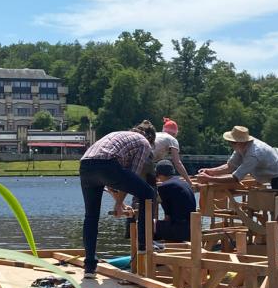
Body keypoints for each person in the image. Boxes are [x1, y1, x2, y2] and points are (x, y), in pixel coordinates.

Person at [197, 125, 278, 247]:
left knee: (275, 210)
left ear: (239, 142)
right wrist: (210, 171)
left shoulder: (253, 153)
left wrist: (209, 179)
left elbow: (236, 177)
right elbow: (230, 166)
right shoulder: (241, 148)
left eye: (231, 142)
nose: (230, 144)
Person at [80, 121, 156, 278]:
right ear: (150, 138)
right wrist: (119, 203)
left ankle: (89, 267)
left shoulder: (118, 135)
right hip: (107, 164)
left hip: (85, 165)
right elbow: (133, 174)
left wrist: (119, 202)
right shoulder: (144, 143)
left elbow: (115, 182)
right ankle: (143, 245)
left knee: (91, 216)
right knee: (148, 194)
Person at [154, 159, 197, 242]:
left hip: (179, 231)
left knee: (148, 225)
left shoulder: (164, 187)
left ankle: (146, 251)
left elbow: (167, 217)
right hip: (192, 228)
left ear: (158, 174)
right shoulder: (184, 183)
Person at [152, 118, 193, 185]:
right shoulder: (172, 139)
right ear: (175, 133)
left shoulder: (155, 134)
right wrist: (189, 181)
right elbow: (177, 163)